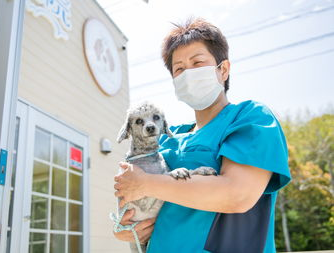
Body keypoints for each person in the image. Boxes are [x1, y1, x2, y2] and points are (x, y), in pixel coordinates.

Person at [113, 17, 291, 253]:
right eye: (179, 69)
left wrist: (147, 184)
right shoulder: (167, 138)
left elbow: (237, 194)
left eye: (197, 63)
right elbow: (131, 194)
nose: (188, 73)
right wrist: (123, 226)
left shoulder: (251, 118)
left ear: (223, 69)